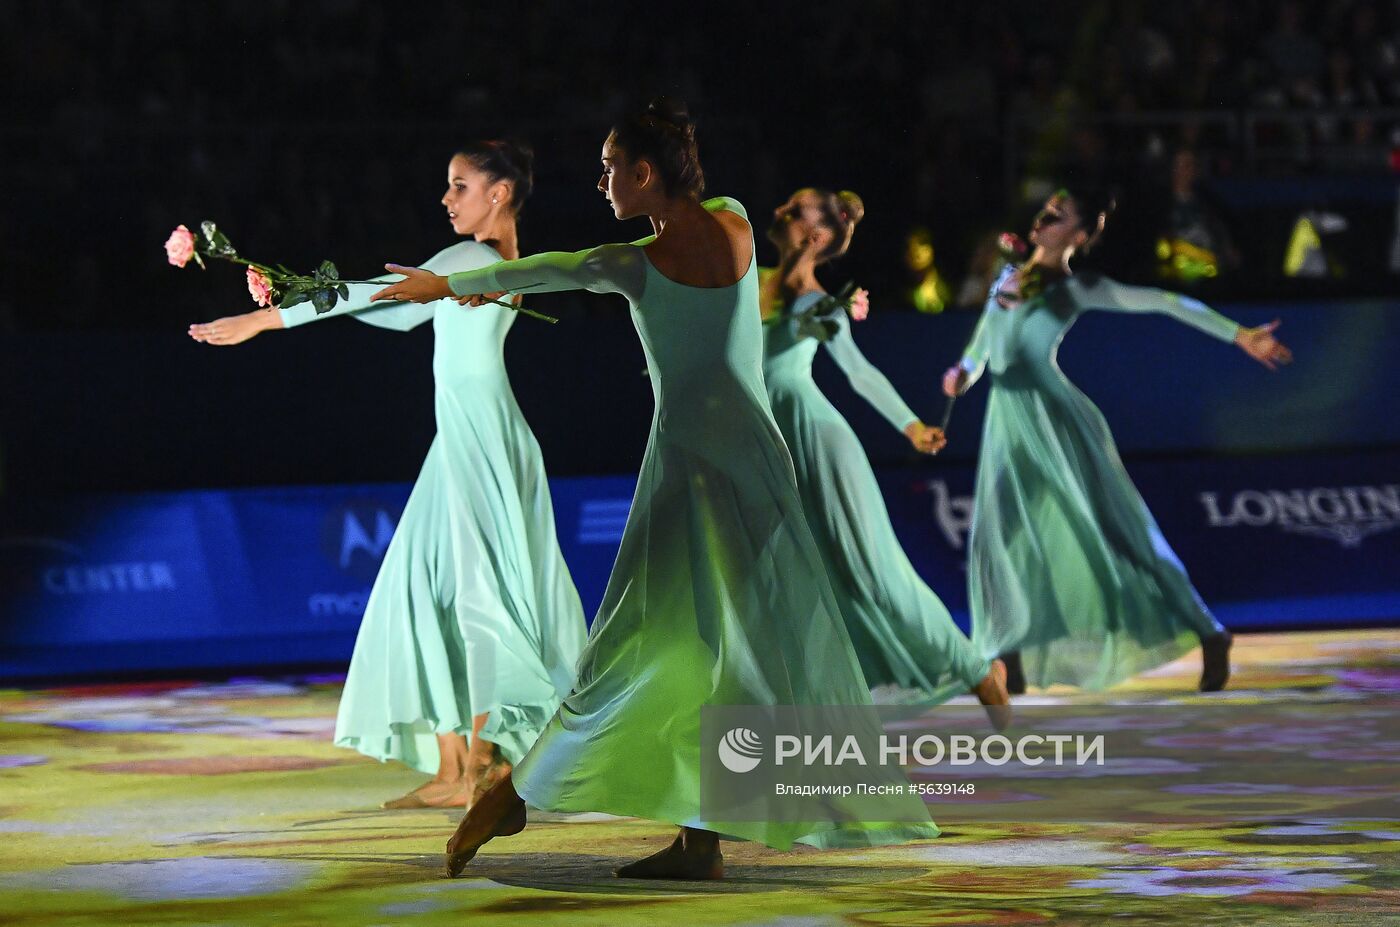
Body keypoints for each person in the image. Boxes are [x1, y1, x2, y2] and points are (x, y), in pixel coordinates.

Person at [372, 99, 938, 881]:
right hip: (758, 459)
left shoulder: (631, 262)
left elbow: (548, 270)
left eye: (610, 167)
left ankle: (522, 793)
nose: (600, 180)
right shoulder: (735, 221)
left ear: (643, 173)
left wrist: (441, 285)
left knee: (635, 644)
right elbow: (556, 269)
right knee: (731, 646)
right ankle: (695, 837)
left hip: (687, 467)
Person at [189, 141, 586, 809]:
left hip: (481, 436)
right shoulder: (500, 262)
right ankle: (452, 766)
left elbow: (379, 291)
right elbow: (401, 311)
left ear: (499, 194)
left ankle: (487, 765)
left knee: (482, 592)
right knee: (416, 583)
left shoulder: (472, 258)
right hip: (467, 435)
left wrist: (267, 317)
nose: (445, 197)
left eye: (459, 185)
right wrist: (298, 292)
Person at [941, 188, 1292, 694]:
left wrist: (1237, 333)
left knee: (1122, 532)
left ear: (1078, 237)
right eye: (1046, 209)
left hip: (1052, 416)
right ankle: (1010, 656)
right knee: (999, 534)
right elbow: (982, 342)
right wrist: (963, 372)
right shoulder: (1006, 277)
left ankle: (1210, 633)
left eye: (1059, 216)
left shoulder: (1078, 286)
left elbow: (1163, 302)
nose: (1044, 217)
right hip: (1006, 418)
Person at [759, 187, 1008, 719]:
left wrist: (911, 425)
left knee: (871, 575)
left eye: (795, 208)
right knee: (795, 579)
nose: (780, 209)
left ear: (816, 233)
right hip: (766, 444)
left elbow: (859, 372)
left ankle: (976, 667)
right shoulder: (752, 283)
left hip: (815, 442)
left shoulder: (814, 304)